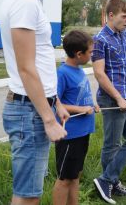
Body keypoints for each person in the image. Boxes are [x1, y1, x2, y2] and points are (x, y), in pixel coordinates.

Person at [0, 0, 69, 205]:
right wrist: (48, 119)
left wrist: (56, 102)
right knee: (27, 197)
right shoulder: (24, 0)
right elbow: (26, 68)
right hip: (29, 112)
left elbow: (39, 63)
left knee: (31, 193)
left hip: (35, 106)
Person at [92, 0, 126, 204]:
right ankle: (109, 182)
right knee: (112, 144)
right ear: (110, 15)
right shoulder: (100, 39)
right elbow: (99, 73)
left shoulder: (125, 36)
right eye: (125, 16)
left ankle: (107, 180)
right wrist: (118, 97)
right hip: (112, 99)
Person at [52, 30, 100, 205]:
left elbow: (80, 97)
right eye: (90, 52)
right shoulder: (62, 73)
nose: (92, 54)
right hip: (69, 135)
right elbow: (56, 103)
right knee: (64, 179)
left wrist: (92, 106)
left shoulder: (79, 70)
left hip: (82, 133)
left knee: (75, 175)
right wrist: (80, 108)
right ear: (79, 54)